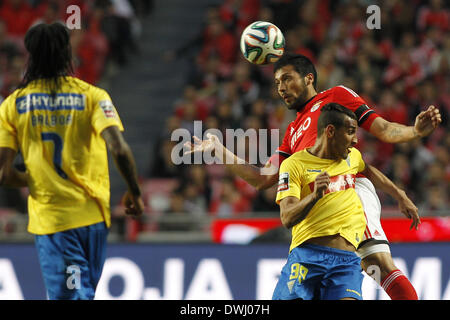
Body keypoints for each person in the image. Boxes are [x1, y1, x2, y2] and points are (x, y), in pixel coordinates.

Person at [185, 53, 442, 300]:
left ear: (309, 78)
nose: (281, 88)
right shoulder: (292, 131)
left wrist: (415, 131)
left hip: (347, 188)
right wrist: (218, 149)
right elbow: (262, 179)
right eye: (277, 83)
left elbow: (384, 129)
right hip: (315, 213)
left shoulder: (337, 96)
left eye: (287, 79)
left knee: (378, 263)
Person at [0, 23, 144, 300]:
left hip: (56, 220)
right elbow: (120, 149)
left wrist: (34, 176)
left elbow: (3, 174)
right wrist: (134, 192)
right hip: (94, 218)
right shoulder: (94, 96)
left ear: (30, 56)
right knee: (81, 294)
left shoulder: (13, 105)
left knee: (74, 297)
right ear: (67, 54)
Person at [274, 103, 384, 299]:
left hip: (346, 262)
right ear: (331, 131)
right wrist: (314, 196)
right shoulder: (293, 165)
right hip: (307, 257)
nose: (356, 140)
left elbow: (368, 170)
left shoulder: (352, 158)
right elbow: (287, 217)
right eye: (350, 132)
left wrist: (400, 195)